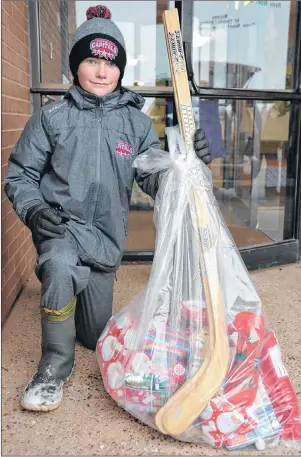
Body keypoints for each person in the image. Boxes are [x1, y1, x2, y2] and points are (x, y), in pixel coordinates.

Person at [4, 4, 211, 412]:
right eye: (92, 60)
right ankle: (53, 369)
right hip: (61, 230)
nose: (101, 71)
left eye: (110, 63)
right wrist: (32, 210)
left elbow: (153, 177)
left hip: (105, 243)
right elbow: (19, 175)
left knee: (94, 335)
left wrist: (186, 163)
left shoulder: (135, 125)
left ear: (120, 70)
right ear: (76, 66)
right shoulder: (52, 118)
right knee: (60, 268)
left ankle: (72, 304)